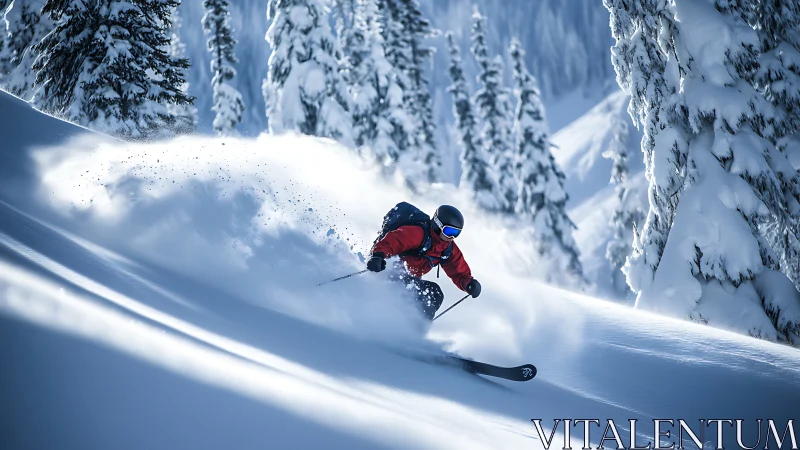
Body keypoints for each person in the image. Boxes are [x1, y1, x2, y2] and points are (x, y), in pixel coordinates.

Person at [367, 204, 481, 319]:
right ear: (438, 225)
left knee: (434, 293)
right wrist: (378, 256)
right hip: (389, 273)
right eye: (449, 231)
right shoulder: (419, 234)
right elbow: (395, 240)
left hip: (409, 279)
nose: (451, 237)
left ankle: (416, 327)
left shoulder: (447, 248)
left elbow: (458, 270)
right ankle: (407, 323)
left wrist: (469, 284)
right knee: (427, 291)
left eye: (456, 233)